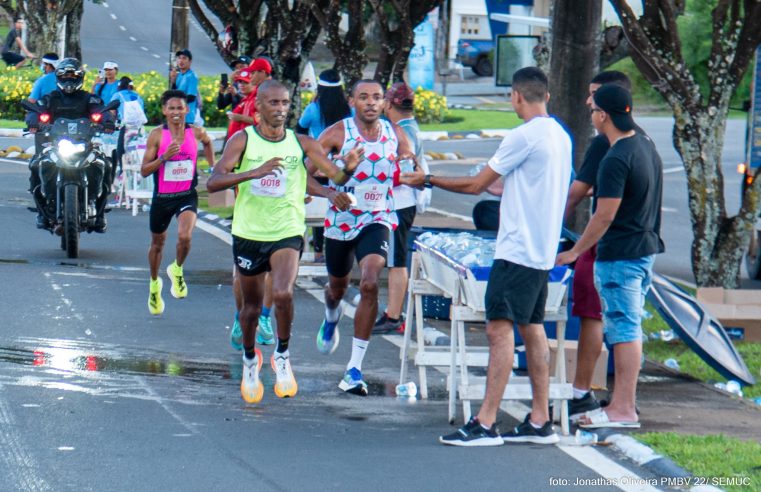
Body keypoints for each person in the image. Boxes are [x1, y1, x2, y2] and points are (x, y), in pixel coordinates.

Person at [402, 67, 572, 446]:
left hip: (517, 250)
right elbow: (505, 183)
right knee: (531, 328)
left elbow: (478, 185)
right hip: (542, 250)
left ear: (516, 96)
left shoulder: (523, 135)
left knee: (499, 330)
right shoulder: (559, 134)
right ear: (546, 95)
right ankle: (541, 420)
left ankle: (486, 422)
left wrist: (427, 179)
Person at [206, 79, 364, 403]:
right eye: (274, 103)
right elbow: (213, 182)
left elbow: (331, 176)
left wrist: (342, 176)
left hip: (287, 230)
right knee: (249, 310)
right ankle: (251, 359)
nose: (281, 109)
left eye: (285, 103)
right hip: (249, 232)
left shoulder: (301, 142)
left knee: (281, 293)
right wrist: (251, 173)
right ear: (259, 107)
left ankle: (282, 354)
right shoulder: (242, 140)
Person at [556, 84, 664, 429]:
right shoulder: (644, 145)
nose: (591, 114)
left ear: (604, 115)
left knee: (624, 330)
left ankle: (623, 408)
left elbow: (603, 215)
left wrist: (574, 250)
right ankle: (621, 405)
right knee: (626, 327)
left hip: (620, 255)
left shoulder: (615, 157)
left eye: (593, 110)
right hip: (643, 250)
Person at [314, 79, 419, 396]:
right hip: (342, 220)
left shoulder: (393, 133)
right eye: (364, 97)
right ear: (352, 101)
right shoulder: (336, 133)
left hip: (378, 216)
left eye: (377, 97)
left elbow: (408, 158)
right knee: (337, 288)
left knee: (371, 280)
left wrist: (408, 163)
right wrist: (330, 192)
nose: (371, 103)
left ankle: (354, 368)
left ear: (384, 103)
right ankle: (332, 315)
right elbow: (306, 174)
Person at [562, 71, 636, 422]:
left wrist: (568, 244)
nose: (588, 104)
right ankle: (620, 397)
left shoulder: (609, 146)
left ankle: (585, 393)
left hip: (607, 246)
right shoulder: (641, 142)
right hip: (634, 244)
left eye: (594, 98)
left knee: (597, 316)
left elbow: (582, 196)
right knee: (624, 322)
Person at [140, 90, 215, 316]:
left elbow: (209, 143)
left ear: (186, 110)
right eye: (171, 108)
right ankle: (154, 284)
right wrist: (164, 158)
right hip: (163, 198)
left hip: (186, 195)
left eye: (179, 108)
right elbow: (144, 171)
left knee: (185, 236)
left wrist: (214, 169)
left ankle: (177, 269)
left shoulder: (196, 132)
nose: (176, 112)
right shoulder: (156, 136)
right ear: (164, 111)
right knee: (158, 245)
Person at [27, 58, 115, 232]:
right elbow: (36, 110)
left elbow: (101, 112)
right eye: (65, 76)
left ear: (79, 78)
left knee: (106, 164)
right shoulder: (50, 98)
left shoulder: (89, 99)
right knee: (36, 164)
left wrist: (107, 122)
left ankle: (100, 211)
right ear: (58, 78)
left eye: (72, 76)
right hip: (57, 145)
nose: (69, 80)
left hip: (84, 145)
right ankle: (41, 211)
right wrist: (33, 122)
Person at [373, 82, 430, 334]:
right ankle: (392, 312)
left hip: (399, 201)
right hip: (403, 202)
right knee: (394, 258)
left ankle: (394, 315)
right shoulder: (410, 127)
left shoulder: (401, 131)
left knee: (396, 260)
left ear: (389, 104)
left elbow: (406, 173)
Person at [296, 68, 352, 262]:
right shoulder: (349, 110)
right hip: (341, 167)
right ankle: (339, 245)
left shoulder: (313, 109)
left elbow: (300, 130)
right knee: (342, 204)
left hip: (317, 163)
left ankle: (318, 250)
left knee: (316, 208)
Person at [110, 76, 146, 171]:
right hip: (139, 128)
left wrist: (113, 122)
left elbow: (112, 112)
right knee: (137, 150)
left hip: (126, 127)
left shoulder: (117, 95)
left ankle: (123, 171)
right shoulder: (138, 96)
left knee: (120, 151)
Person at [169, 49, 200, 125]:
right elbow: (174, 93)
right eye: (179, 58)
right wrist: (173, 81)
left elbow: (191, 97)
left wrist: (176, 104)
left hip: (187, 117)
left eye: (184, 58)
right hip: (177, 115)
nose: (181, 61)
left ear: (190, 61)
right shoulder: (178, 75)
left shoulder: (192, 76)